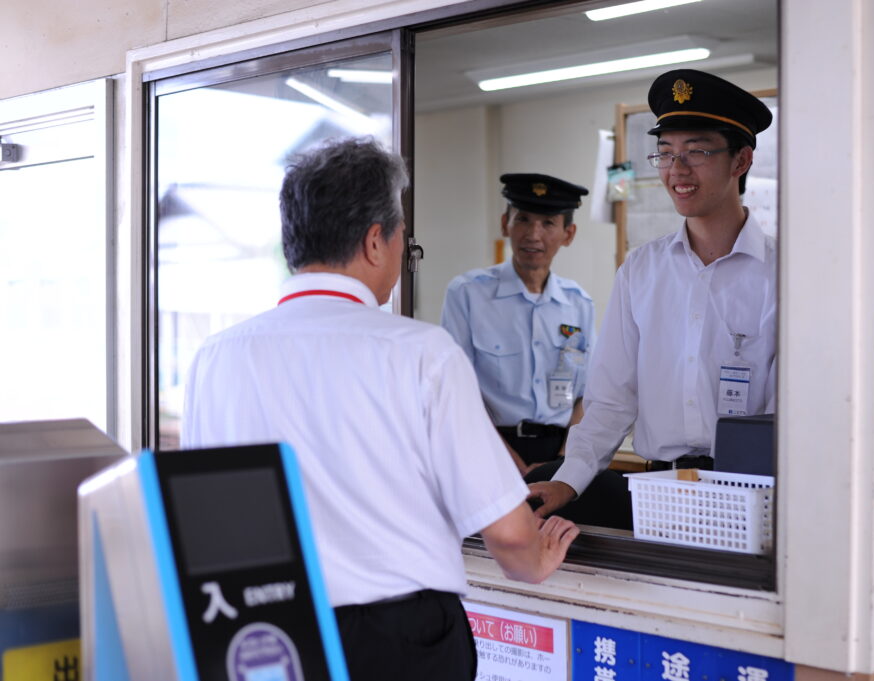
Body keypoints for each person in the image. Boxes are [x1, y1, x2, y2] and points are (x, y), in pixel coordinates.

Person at [181, 138, 579, 681]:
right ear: (375, 241)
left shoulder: (214, 358)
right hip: (394, 640)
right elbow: (509, 533)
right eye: (402, 240)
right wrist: (533, 561)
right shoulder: (419, 353)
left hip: (262, 634)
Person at [527, 69, 777, 530]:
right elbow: (611, 399)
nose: (677, 170)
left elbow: (791, 410)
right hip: (658, 496)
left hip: (755, 500)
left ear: (741, 160)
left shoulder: (782, 274)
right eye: (665, 153)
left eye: (697, 151)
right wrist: (568, 480)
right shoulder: (641, 270)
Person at [441, 173, 595, 475]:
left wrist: (562, 463)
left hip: (559, 455)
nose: (533, 234)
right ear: (505, 224)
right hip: (487, 450)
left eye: (548, 223)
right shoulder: (468, 294)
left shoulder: (578, 303)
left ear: (568, 234)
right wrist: (511, 464)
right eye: (523, 219)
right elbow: (456, 391)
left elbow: (587, 396)